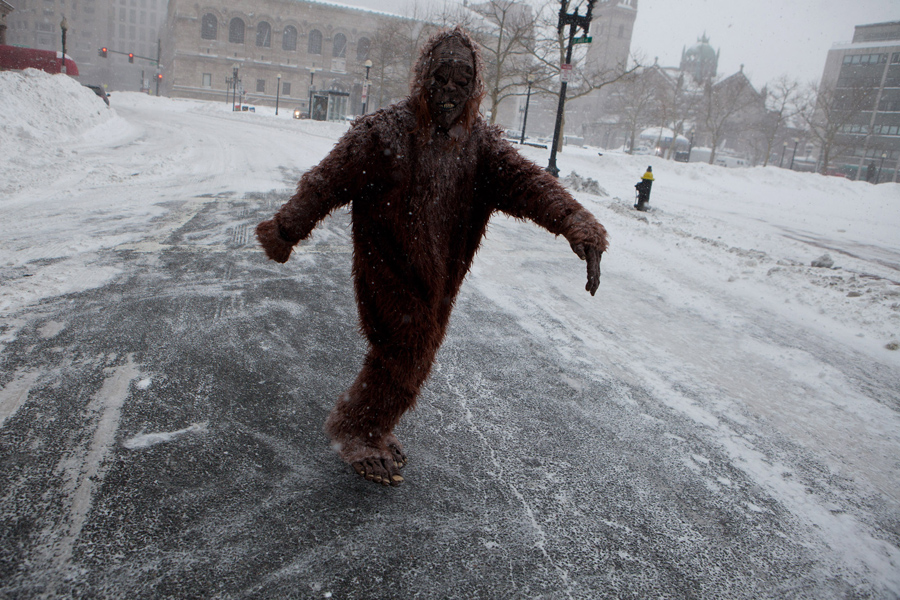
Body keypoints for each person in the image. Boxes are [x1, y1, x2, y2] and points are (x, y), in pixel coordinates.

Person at [255, 27, 609, 487]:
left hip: (441, 274)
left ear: (474, 88)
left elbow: (529, 185)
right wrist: (285, 230)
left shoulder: (480, 146)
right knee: (406, 344)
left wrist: (578, 225)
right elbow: (326, 183)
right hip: (388, 265)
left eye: (461, 83)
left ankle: (372, 423)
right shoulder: (382, 134)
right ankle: (356, 429)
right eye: (440, 79)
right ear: (423, 78)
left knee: (415, 350)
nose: (448, 92)